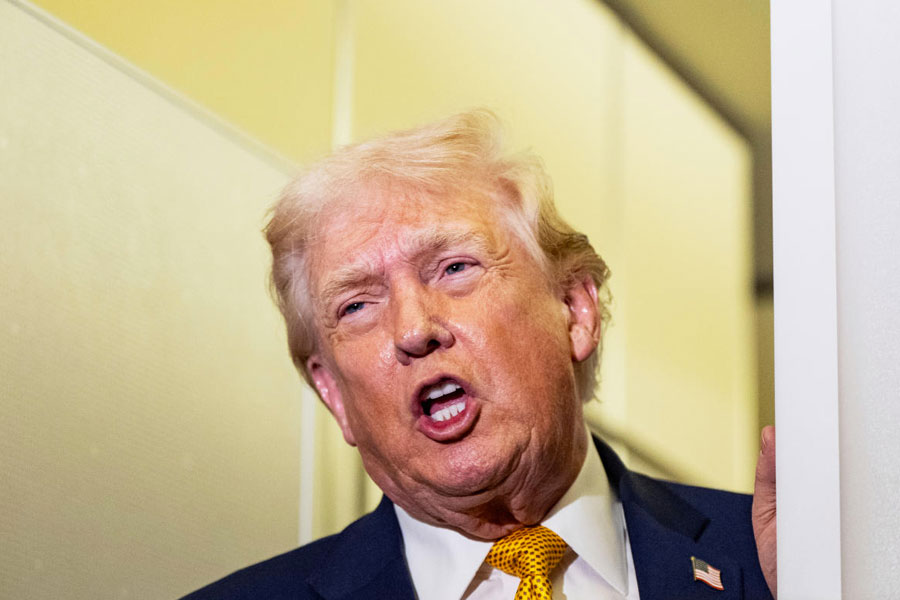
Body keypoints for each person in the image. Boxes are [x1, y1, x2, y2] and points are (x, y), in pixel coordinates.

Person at [184, 110, 776, 599]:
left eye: (454, 268)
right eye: (357, 306)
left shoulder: (786, 561)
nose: (413, 329)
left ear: (574, 309)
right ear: (333, 394)